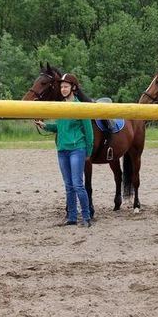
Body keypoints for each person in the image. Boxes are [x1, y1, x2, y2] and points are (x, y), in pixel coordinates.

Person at [34, 73, 94, 227]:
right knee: (68, 186)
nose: (63, 89)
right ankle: (72, 217)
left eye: (66, 86)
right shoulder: (60, 106)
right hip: (62, 150)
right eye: (61, 87)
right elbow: (60, 127)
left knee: (77, 185)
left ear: (73, 88)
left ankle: (86, 217)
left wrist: (88, 151)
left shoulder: (81, 106)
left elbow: (89, 131)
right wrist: (45, 125)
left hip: (77, 149)